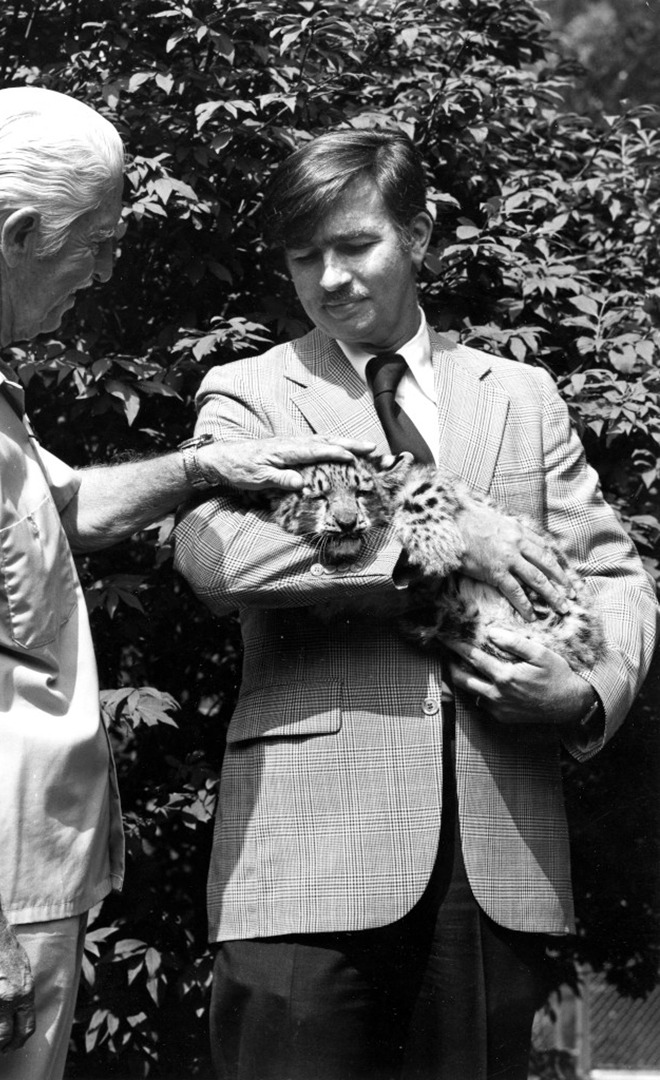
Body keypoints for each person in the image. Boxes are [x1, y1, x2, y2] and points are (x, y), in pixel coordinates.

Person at [0, 88, 370, 1080]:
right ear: (15, 233)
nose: (104, 272)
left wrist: (204, 468)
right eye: (95, 243)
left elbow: (54, 512)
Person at [173, 129, 658, 1080]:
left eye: (356, 245)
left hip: (498, 859)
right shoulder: (250, 392)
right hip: (305, 862)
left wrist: (583, 694)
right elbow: (212, 556)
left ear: (420, 234)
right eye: (304, 257)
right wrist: (436, 537)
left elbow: (616, 577)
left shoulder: (522, 395)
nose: (330, 278)